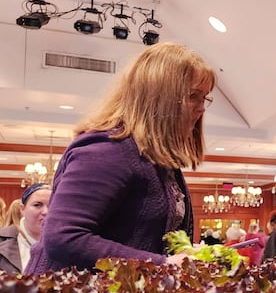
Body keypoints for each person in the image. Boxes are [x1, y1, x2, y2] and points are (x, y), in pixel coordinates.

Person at [25, 42, 216, 274]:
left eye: (204, 97)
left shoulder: (157, 158)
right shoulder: (108, 149)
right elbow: (64, 237)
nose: (201, 108)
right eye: (193, 96)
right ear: (160, 97)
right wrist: (162, 264)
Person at [0, 183, 51, 275]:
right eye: (37, 205)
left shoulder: (67, 244)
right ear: (22, 209)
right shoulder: (2, 239)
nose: (45, 212)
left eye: (51, 205)